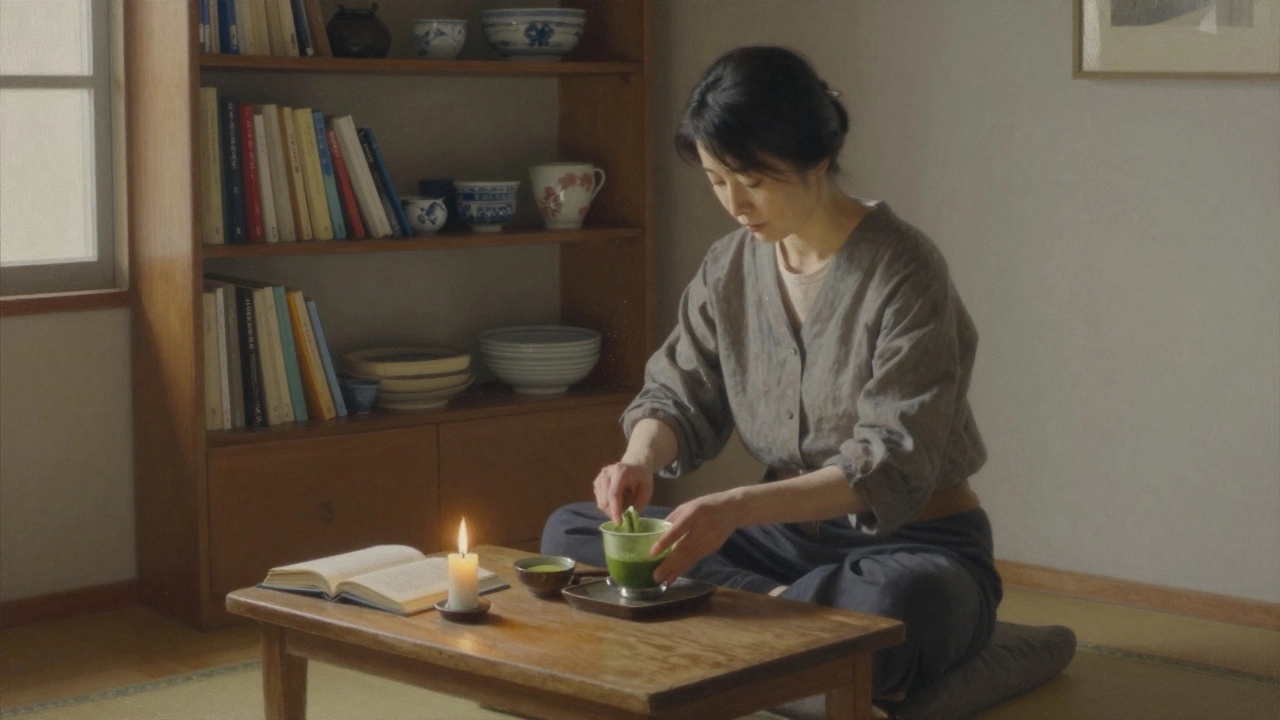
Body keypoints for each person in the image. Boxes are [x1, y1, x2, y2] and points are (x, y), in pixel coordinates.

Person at [541, 46, 1001, 699]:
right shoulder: (729, 267)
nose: (733, 204)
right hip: (777, 547)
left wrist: (730, 509)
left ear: (815, 158)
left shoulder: (905, 270)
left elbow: (888, 462)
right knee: (572, 531)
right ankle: (796, 638)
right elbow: (677, 392)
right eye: (715, 180)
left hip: (912, 544)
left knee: (909, 602)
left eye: (751, 181)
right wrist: (638, 460)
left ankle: (735, 630)